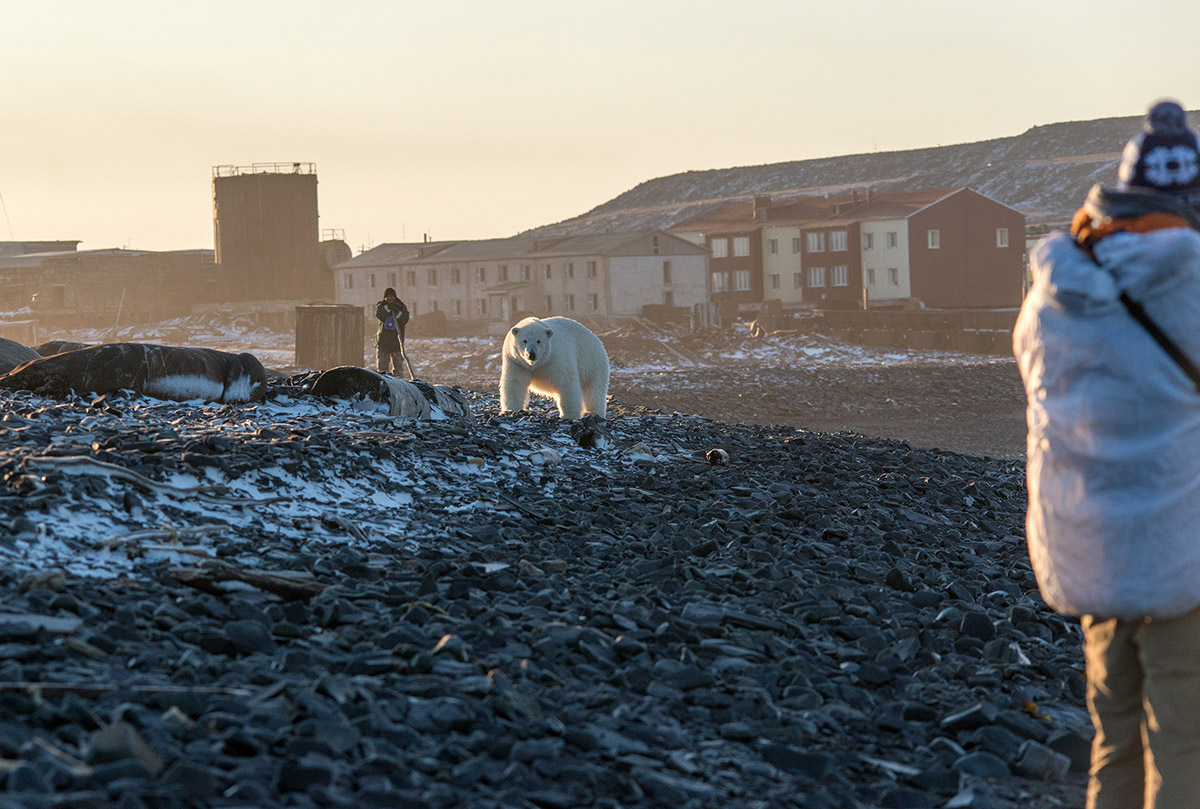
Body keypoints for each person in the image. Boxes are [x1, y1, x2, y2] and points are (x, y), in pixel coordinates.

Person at [1014, 99, 1200, 809]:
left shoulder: (1053, 296)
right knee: (1184, 743)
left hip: (1094, 548)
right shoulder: (1192, 282)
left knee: (1116, 738)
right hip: (1185, 557)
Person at [375, 287, 412, 379]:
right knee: (382, 369)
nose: (389, 298)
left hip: (397, 342)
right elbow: (380, 315)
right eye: (387, 297)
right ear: (384, 298)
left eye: (391, 296)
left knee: (398, 368)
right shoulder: (382, 306)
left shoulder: (401, 306)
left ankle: (399, 385)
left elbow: (404, 319)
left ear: (395, 297)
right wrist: (388, 308)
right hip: (383, 342)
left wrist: (397, 311)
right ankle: (384, 385)